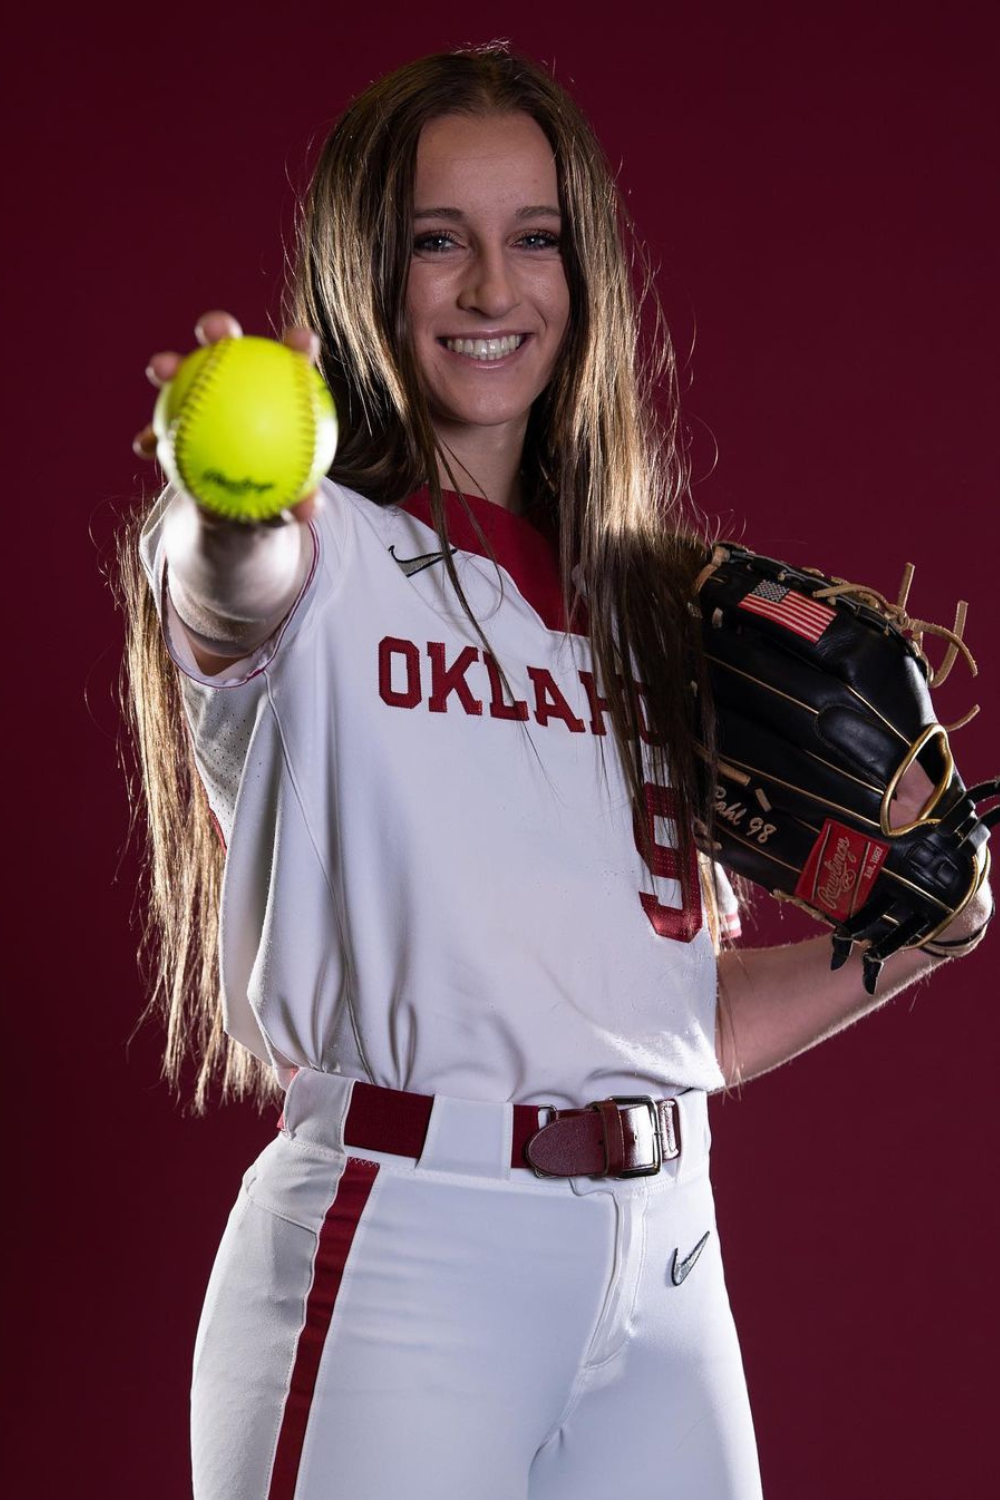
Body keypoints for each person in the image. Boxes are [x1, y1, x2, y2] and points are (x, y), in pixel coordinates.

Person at [124, 44, 991, 1500]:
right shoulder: (321, 555)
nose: (489, 290)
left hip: (665, 1258)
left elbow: (674, 1023)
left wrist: (925, 931)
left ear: (579, 277)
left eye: (534, 240)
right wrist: (230, 486)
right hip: (407, 1244)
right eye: (436, 242)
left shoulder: (658, 612)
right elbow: (227, 578)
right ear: (364, 272)